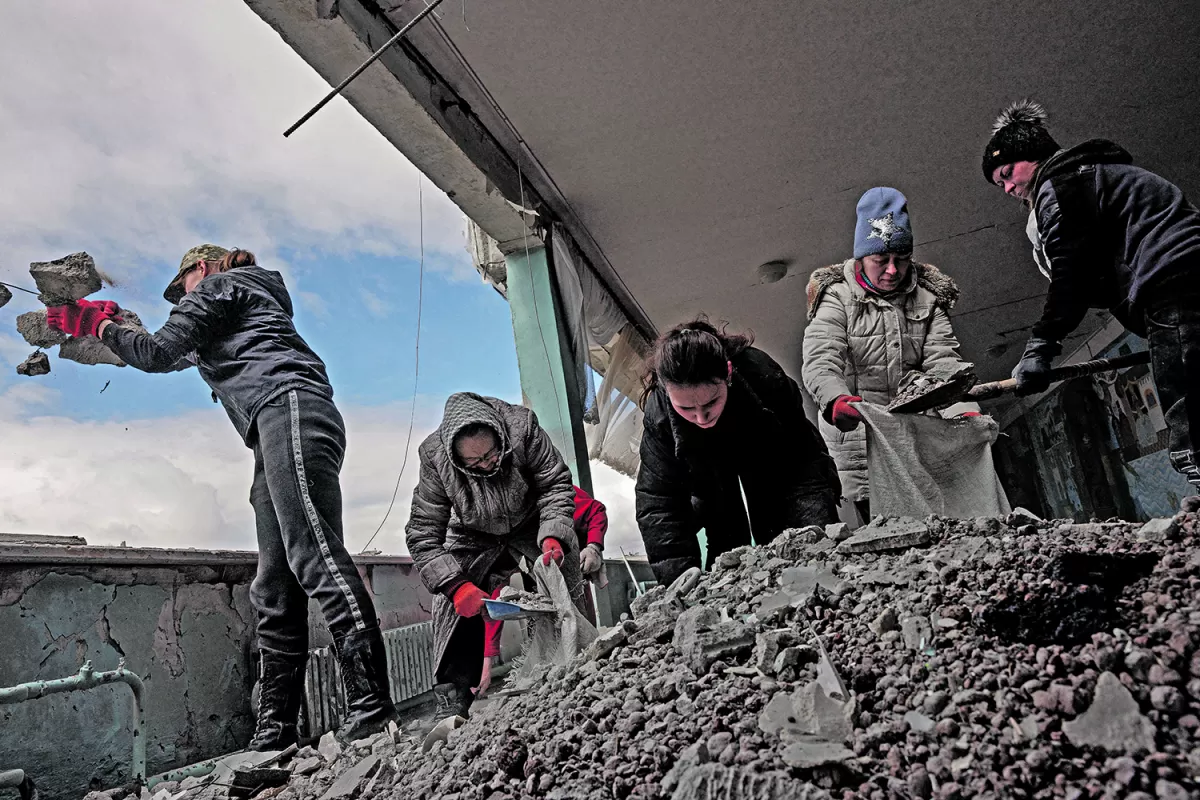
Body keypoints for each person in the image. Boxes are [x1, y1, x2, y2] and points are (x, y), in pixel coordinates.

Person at [45, 245, 397, 749]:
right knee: (275, 584)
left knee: (315, 555)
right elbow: (166, 354)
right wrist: (117, 323)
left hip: (288, 407)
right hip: (270, 426)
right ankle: (276, 731)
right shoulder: (234, 304)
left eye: (181, 287)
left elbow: (159, 352)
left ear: (202, 270)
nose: (180, 299)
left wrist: (94, 324)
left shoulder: (220, 287)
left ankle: (372, 710)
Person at [983, 100, 1200, 496]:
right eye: (1001, 186)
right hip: (1183, 283)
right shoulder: (1099, 174)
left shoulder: (1060, 184)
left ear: (1033, 156)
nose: (1011, 189)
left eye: (1008, 174)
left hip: (1178, 287)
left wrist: (1041, 346)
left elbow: (1072, 273)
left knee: (1187, 402)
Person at [801, 187, 980, 521]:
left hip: (919, 440)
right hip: (862, 445)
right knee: (886, 537)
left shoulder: (928, 299)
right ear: (861, 258)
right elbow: (822, 359)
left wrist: (963, 410)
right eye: (880, 260)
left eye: (902, 259)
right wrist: (835, 400)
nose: (892, 270)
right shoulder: (836, 298)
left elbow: (944, 364)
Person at [405, 392, 586, 721]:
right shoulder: (433, 457)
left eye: (491, 455)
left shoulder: (524, 429)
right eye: (475, 463)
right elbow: (422, 532)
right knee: (451, 600)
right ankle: (453, 698)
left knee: (561, 572)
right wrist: (455, 586)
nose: (487, 464)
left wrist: (553, 537)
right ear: (457, 459)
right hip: (471, 533)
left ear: (500, 436)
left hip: (531, 523)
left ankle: (575, 665)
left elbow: (555, 483)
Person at [635, 319, 840, 586]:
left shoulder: (764, 378)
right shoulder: (659, 417)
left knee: (800, 557)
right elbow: (659, 503)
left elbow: (803, 468)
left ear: (728, 373)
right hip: (710, 486)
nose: (701, 417)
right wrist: (678, 575)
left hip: (775, 465)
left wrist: (816, 538)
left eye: (711, 402)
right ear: (666, 390)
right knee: (725, 547)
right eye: (686, 409)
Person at [476, 485, 607, 697]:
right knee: (544, 624)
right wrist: (486, 666)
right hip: (535, 570)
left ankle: (588, 678)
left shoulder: (551, 496)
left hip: (570, 558)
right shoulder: (498, 532)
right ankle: (552, 683)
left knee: (578, 620)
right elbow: (496, 597)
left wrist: (593, 547)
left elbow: (596, 511)